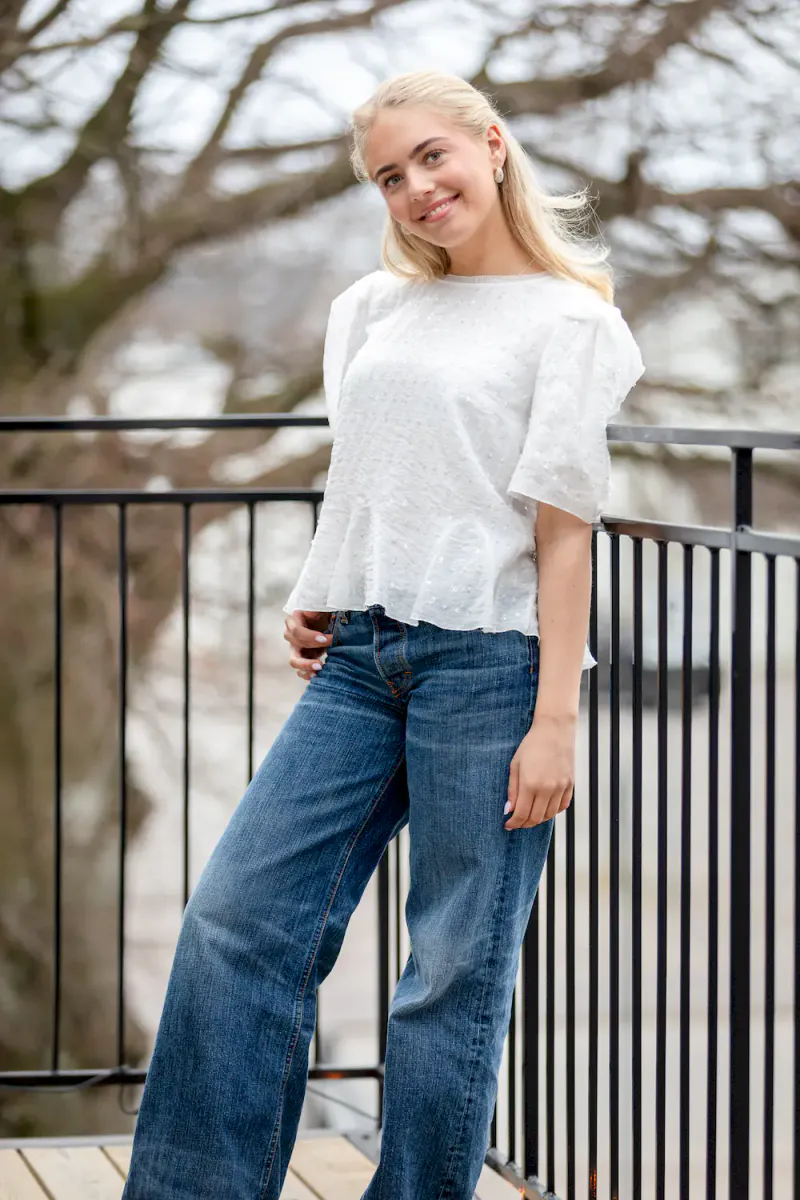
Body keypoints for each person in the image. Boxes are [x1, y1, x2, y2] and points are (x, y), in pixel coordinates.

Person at [122, 69, 644, 1200]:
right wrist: (317, 586)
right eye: (388, 177)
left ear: (490, 145)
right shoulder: (369, 308)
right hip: (358, 661)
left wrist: (554, 719)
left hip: (488, 669)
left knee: (449, 972)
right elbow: (359, 477)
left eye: (430, 159)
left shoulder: (571, 321)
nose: (414, 189)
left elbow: (562, 533)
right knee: (234, 924)